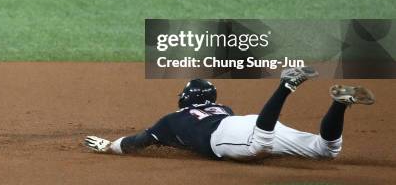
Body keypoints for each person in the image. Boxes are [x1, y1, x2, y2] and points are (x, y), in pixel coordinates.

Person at [85, 67, 375, 160]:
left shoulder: (171, 120)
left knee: (259, 146)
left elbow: (137, 141)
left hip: (230, 134)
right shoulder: (222, 107)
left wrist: (109, 146)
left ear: (185, 99)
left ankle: (285, 85)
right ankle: (340, 102)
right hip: (244, 120)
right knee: (326, 150)